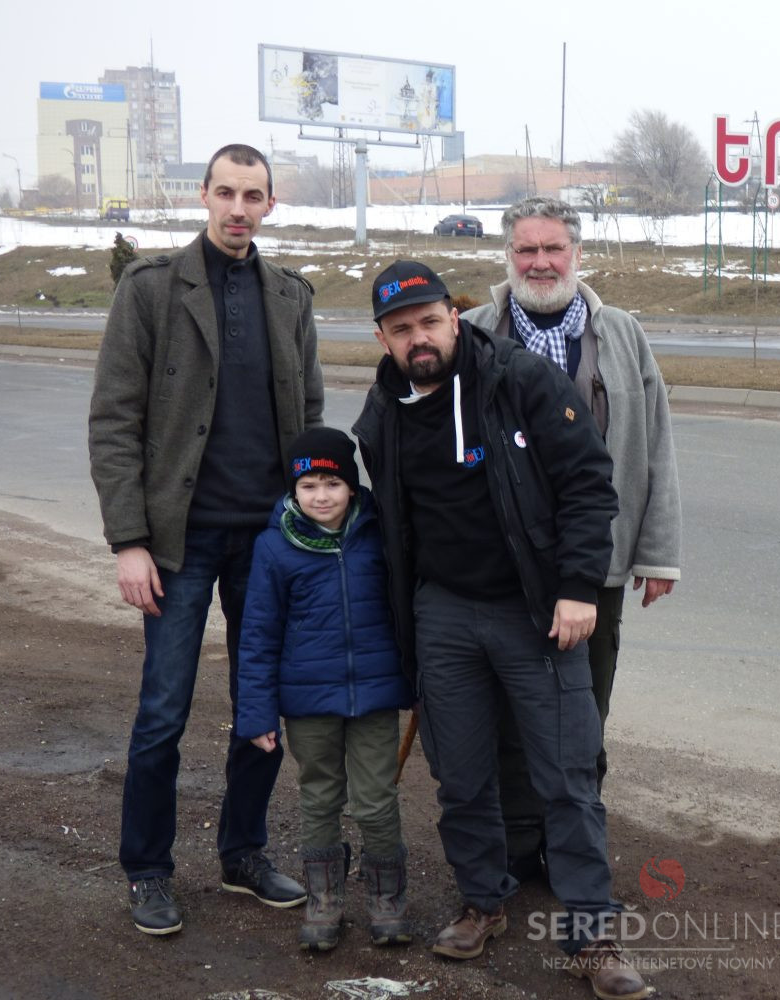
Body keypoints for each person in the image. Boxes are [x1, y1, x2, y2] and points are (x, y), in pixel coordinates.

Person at [353, 261, 649, 1000]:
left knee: (567, 778)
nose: (419, 339)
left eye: (429, 322)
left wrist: (577, 588)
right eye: (401, 329)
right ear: (383, 338)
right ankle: (483, 900)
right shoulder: (383, 412)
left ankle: (593, 933)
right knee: (461, 775)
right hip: (443, 615)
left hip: (533, 610)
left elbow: (588, 484)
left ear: (454, 319)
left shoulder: (518, 380)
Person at [88, 143, 321, 936]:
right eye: (226, 192)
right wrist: (129, 539)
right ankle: (148, 869)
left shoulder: (289, 295)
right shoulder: (151, 288)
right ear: (204, 195)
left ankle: (243, 853)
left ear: (270, 204)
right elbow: (114, 419)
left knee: (263, 703)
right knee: (163, 710)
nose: (238, 209)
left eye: (252, 196)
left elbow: (309, 415)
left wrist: (310, 525)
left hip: (267, 542)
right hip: (177, 544)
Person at [463, 196, 682, 879]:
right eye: (526, 249)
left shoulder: (620, 333)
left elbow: (653, 443)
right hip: (499, 566)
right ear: (508, 256)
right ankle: (516, 848)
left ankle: (571, 847)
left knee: (583, 713)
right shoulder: (474, 332)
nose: (540, 262)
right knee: (507, 718)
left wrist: (658, 553)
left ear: (577, 254)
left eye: (553, 248)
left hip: (595, 564)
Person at [237, 427, 413, 952]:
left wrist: (419, 679)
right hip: (308, 701)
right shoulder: (274, 548)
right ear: (293, 490)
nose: (320, 496)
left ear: (351, 487)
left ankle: (386, 899)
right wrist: (256, 713)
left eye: (332, 484)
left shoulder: (379, 535)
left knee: (376, 800)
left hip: (375, 696)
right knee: (319, 796)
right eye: (308, 485)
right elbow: (258, 635)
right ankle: (324, 899)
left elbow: (409, 610)